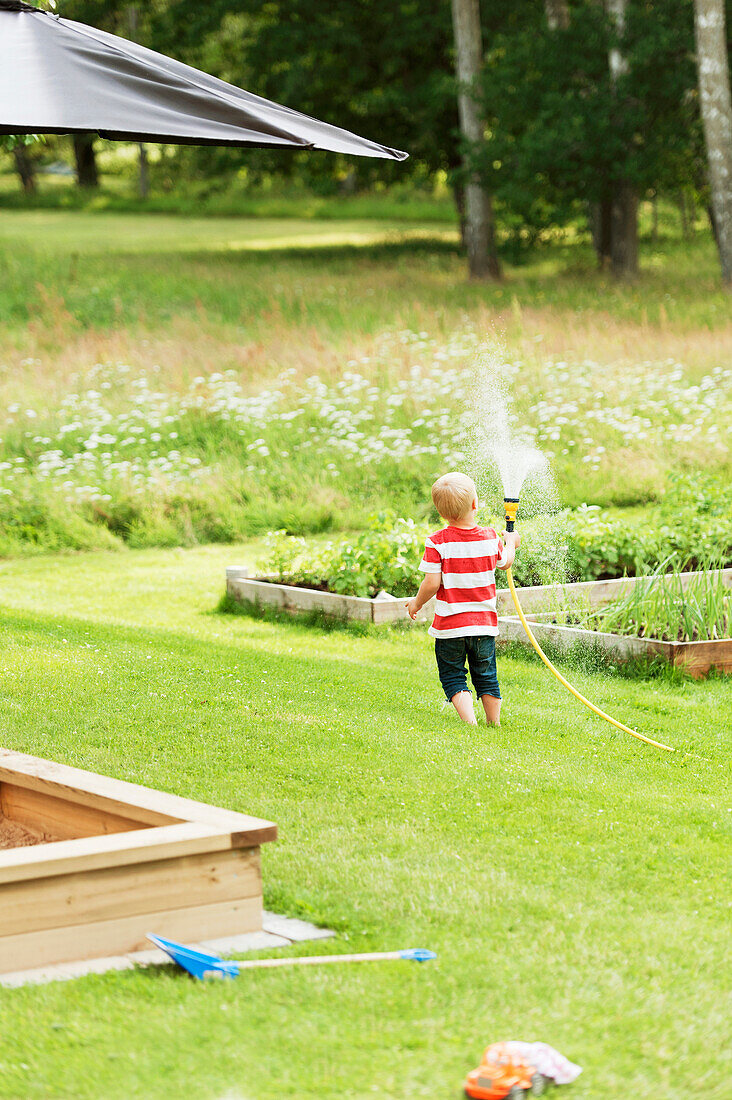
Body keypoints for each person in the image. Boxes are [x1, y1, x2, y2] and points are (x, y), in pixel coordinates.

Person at [405, 471, 520, 727]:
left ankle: (470, 722)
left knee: (453, 674)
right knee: (486, 674)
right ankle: (494, 722)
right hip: (483, 625)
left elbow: (432, 583)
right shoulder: (491, 537)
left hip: (450, 627)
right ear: (475, 504)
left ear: (440, 513)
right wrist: (511, 541)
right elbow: (505, 562)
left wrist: (416, 603)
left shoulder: (437, 542)